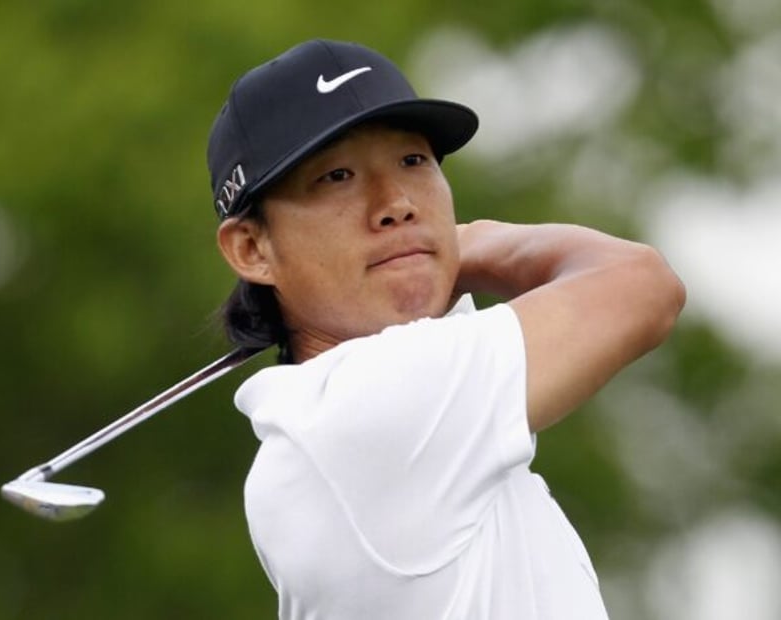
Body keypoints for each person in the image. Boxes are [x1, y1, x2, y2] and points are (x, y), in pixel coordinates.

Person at [207, 39, 685, 619]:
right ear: (252, 248)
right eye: (336, 176)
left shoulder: (318, 429)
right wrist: (475, 243)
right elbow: (642, 286)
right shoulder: (371, 404)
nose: (397, 203)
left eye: (414, 161)